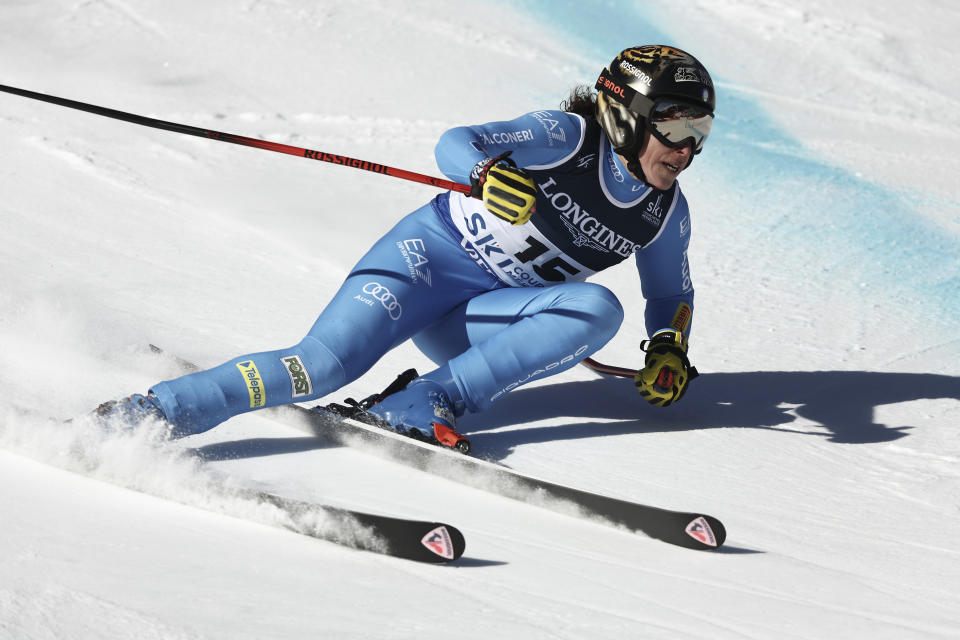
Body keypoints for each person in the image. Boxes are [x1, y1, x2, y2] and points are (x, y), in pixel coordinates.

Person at [98, 45, 715, 451]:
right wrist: (484, 173)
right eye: (676, 126)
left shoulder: (664, 213)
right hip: (426, 262)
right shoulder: (569, 137)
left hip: (477, 322)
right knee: (318, 369)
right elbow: (458, 140)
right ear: (626, 114)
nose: (687, 149)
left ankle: (425, 399)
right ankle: (145, 415)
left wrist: (668, 347)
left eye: (701, 132)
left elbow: (669, 292)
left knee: (596, 308)